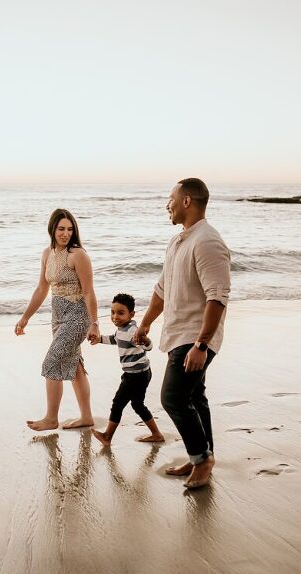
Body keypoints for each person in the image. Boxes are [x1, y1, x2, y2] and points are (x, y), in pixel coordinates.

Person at [134, 178, 230, 489]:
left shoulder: (207, 241)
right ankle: (201, 457)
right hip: (179, 334)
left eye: (171, 198)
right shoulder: (179, 242)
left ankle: (202, 460)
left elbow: (217, 296)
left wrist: (202, 344)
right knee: (194, 397)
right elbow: (162, 289)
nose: (167, 204)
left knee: (172, 397)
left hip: (195, 336)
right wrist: (146, 323)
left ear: (187, 201)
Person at [15, 208, 99, 430]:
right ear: (52, 228)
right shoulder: (46, 254)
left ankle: (51, 418)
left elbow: (89, 292)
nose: (65, 234)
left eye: (70, 229)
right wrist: (25, 318)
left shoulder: (78, 255)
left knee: (51, 362)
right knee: (75, 366)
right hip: (57, 317)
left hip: (78, 316)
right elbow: (42, 289)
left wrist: (94, 324)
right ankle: (86, 417)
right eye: (61, 229)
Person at [90, 293, 164, 446]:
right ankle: (157, 434)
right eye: (112, 312)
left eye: (120, 313)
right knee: (137, 404)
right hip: (138, 373)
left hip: (136, 375)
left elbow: (148, 346)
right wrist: (99, 339)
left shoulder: (133, 331)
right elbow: (115, 339)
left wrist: (145, 339)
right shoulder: (122, 329)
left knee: (118, 403)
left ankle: (107, 437)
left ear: (131, 314)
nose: (115, 316)